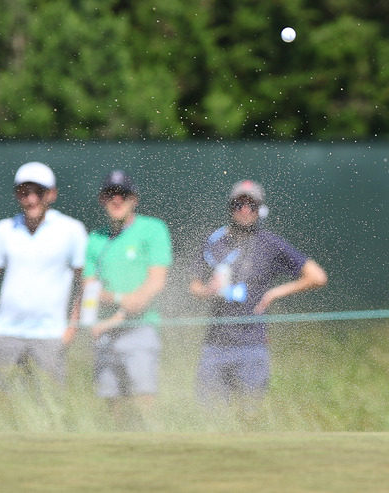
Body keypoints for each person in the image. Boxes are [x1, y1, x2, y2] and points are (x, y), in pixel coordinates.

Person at [189, 180, 327, 408]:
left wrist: (275, 293)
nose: (244, 209)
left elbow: (317, 277)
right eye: (238, 204)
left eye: (251, 205)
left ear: (260, 209)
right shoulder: (214, 241)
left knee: (249, 418)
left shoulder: (270, 244)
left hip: (252, 347)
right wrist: (206, 291)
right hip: (214, 346)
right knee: (209, 417)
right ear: (230, 207)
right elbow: (194, 285)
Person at [0, 161, 88, 391]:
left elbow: (85, 282)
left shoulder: (71, 230)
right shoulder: (3, 229)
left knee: (50, 410)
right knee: (7, 409)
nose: (31, 199)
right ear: (17, 194)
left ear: (52, 194)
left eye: (39, 191)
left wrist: (72, 328)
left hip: (51, 336)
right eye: (24, 192)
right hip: (6, 334)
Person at [83, 170, 172, 427]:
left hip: (140, 331)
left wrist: (115, 303)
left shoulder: (153, 229)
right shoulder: (94, 239)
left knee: (145, 400)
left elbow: (155, 283)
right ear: (102, 199)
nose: (116, 199)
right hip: (104, 335)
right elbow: (91, 292)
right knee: (113, 404)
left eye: (122, 194)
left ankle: (155, 450)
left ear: (134, 199)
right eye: (110, 194)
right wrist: (118, 303)